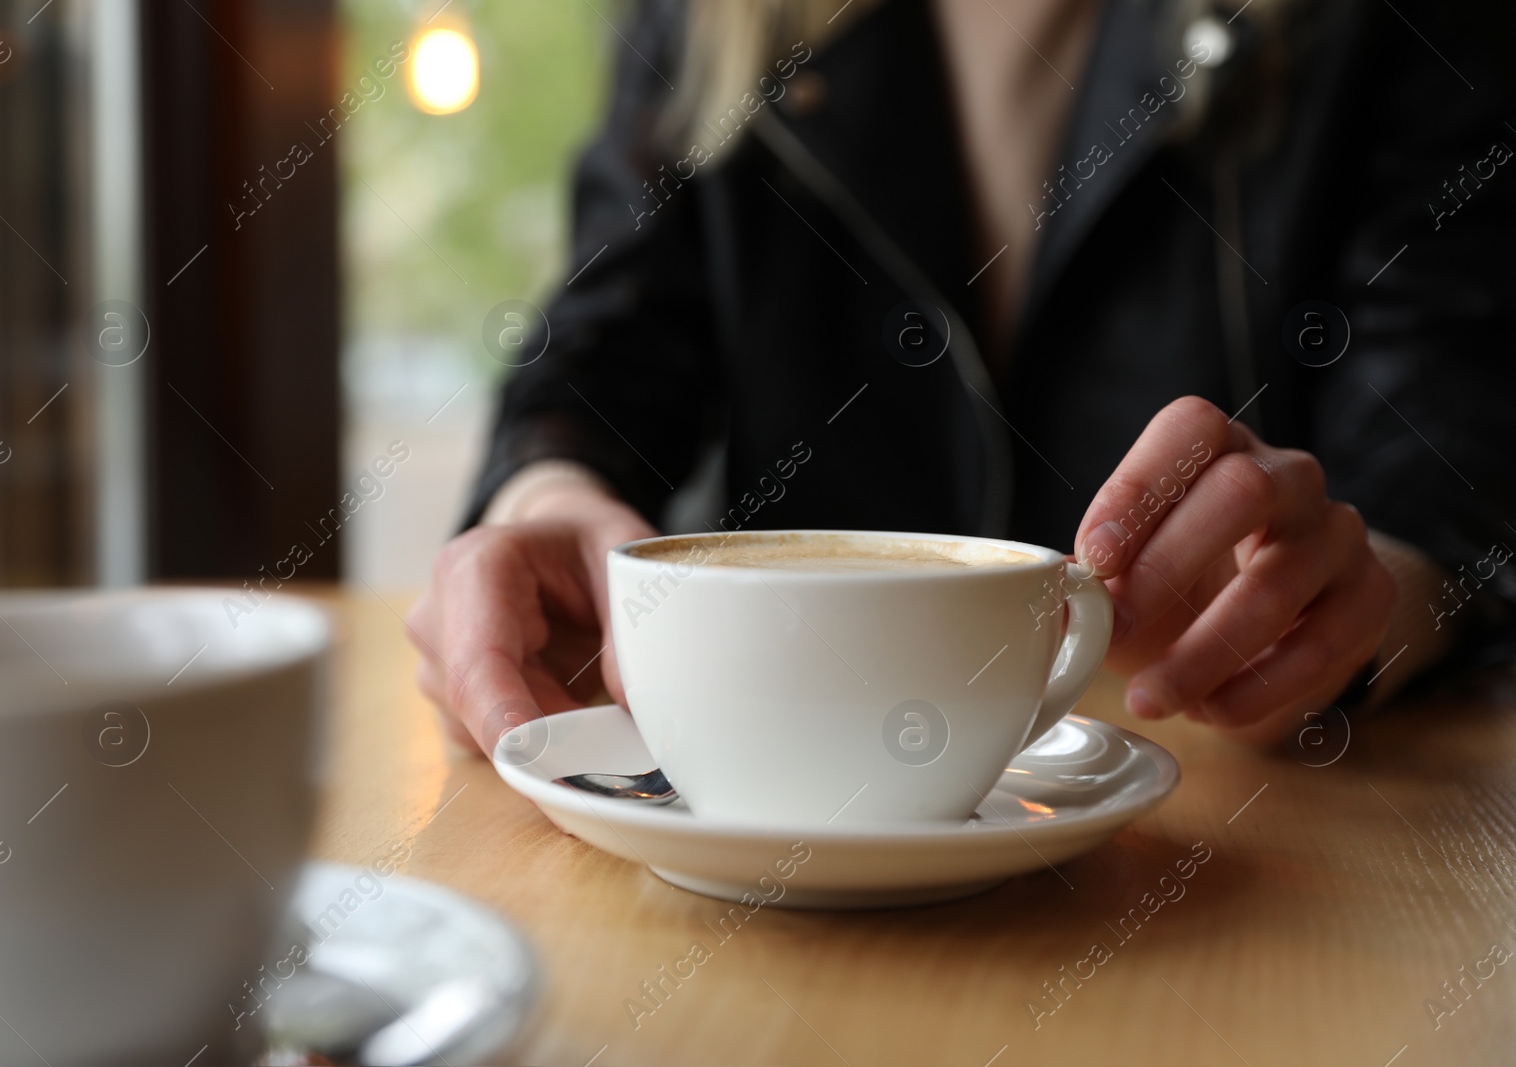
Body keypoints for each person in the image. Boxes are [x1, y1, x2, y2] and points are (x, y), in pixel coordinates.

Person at [408, 0, 1516, 756]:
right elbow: (606, 349)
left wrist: (1366, 596)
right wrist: (541, 497)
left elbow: (1445, 431)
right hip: (781, 799)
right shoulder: (712, 19)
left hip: (1219, 822)